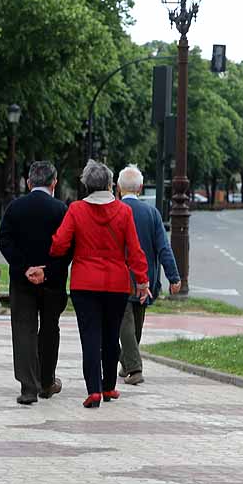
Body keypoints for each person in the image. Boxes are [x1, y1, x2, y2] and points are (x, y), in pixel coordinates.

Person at [47, 160, 149, 409]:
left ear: (86, 184)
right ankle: (109, 386)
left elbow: (60, 244)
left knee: (90, 337)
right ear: (110, 184)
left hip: (84, 283)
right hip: (116, 283)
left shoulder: (76, 210)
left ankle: (93, 390)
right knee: (112, 335)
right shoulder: (124, 212)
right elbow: (135, 250)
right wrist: (142, 280)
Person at [0, 161, 71, 405]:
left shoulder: (14, 208)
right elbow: (68, 247)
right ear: (54, 183)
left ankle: (28, 387)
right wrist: (47, 271)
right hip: (52, 281)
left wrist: (24, 268)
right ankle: (47, 380)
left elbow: (5, 241)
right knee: (50, 328)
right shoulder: (61, 210)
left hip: (22, 280)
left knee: (23, 329)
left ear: (29, 183)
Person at [116, 165, 181, 386]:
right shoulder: (152, 213)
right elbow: (164, 248)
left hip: (120, 277)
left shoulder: (115, 209)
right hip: (146, 279)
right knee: (135, 323)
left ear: (118, 188)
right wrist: (174, 277)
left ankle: (132, 367)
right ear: (141, 188)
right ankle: (129, 365)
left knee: (125, 324)